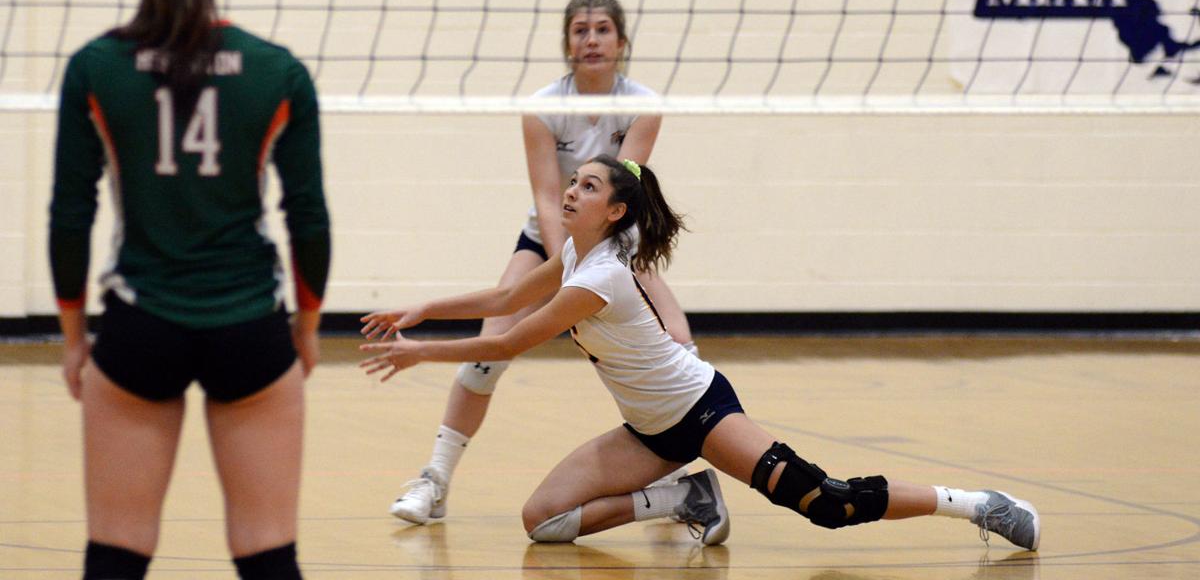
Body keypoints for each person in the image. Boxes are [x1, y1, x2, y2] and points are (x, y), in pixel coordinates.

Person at [360, 155, 1040, 552]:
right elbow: (506, 296)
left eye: (589, 186)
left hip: (702, 411)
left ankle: (977, 504)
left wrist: (419, 354)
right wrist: (422, 309)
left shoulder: (601, 278)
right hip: (647, 432)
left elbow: (509, 339)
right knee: (544, 521)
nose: (571, 191)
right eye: (574, 181)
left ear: (616, 211)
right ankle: (685, 495)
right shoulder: (574, 252)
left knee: (824, 502)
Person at [48, 0, 331, 580]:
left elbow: (70, 214)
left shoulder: (96, 68)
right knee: (269, 555)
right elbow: (308, 218)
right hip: (249, 326)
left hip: (139, 325)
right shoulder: (277, 71)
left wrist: (74, 336)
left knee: (115, 555)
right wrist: (305, 328)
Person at [385, 0, 696, 524]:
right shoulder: (543, 107)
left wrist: (587, 271)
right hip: (551, 240)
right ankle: (434, 482)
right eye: (580, 30)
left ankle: (674, 474)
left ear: (622, 41)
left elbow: (624, 192)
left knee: (680, 344)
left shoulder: (642, 104)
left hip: (617, 241)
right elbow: (550, 198)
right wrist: (568, 271)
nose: (592, 39)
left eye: (602, 29)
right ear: (567, 42)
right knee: (485, 360)